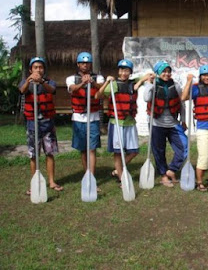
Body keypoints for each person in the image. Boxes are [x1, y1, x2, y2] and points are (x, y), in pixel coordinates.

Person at [19, 57, 63, 194]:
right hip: (33, 124)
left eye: (41, 67)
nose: (38, 70)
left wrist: (42, 81)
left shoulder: (49, 82)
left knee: (49, 153)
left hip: (47, 124)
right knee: (34, 155)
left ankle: (51, 181)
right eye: (35, 67)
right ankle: (35, 183)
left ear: (44, 70)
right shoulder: (25, 82)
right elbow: (22, 91)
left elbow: (51, 90)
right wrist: (29, 80)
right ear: (31, 70)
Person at [95, 59, 141, 183]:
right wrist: (107, 82)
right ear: (118, 71)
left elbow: (147, 76)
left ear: (130, 72)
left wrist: (144, 79)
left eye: (126, 70)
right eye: (121, 70)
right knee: (117, 152)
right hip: (117, 123)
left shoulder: (133, 83)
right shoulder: (113, 84)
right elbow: (97, 96)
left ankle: (118, 169)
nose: (123, 73)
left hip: (130, 122)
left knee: (134, 151)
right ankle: (121, 178)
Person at [143, 61, 187, 187]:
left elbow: (181, 103)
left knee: (184, 147)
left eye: (168, 71)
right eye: (163, 71)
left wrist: (183, 120)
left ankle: (171, 170)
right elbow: (146, 98)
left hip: (173, 123)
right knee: (159, 151)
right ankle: (163, 176)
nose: (167, 74)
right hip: (156, 123)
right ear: (158, 73)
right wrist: (150, 83)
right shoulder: (152, 84)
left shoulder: (176, 85)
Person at [66, 52, 104, 180]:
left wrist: (92, 82)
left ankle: (92, 177)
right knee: (83, 149)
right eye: (82, 63)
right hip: (78, 118)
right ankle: (86, 173)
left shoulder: (98, 78)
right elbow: (72, 88)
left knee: (92, 148)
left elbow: (103, 88)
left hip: (93, 118)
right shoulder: (71, 78)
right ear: (78, 64)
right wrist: (83, 83)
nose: (85, 65)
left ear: (90, 64)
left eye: (87, 63)